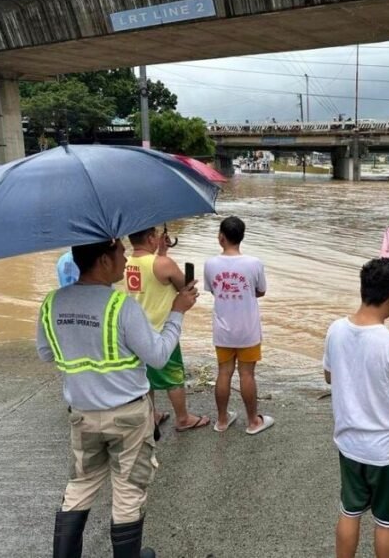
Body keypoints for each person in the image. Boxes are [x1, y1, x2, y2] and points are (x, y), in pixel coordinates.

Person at [37, 239, 199, 558]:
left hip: (82, 415)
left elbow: (46, 353)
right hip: (127, 417)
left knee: (80, 487)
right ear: (103, 260)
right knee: (128, 493)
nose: (125, 258)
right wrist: (177, 312)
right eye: (119, 252)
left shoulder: (51, 302)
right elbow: (158, 356)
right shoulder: (121, 306)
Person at [323, 258, 389, 558]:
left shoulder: (336, 329)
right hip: (388, 451)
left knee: (349, 512)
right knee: (386, 524)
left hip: (350, 444)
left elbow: (329, 375)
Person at [125, 226, 210, 434]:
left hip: (135, 331)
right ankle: (183, 418)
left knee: (146, 378)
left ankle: (151, 416)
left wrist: (161, 252)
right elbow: (185, 287)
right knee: (173, 376)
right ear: (151, 237)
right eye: (155, 235)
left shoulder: (125, 263)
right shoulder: (163, 264)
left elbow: (149, 279)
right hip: (161, 330)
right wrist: (163, 256)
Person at [203, 216, 272, 434]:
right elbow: (260, 291)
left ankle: (222, 420)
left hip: (223, 329)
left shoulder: (210, 264)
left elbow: (214, 290)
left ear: (221, 237)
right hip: (247, 330)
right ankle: (253, 421)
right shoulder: (254, 263)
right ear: (241, 237)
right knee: (247, 375)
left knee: (224, 372)